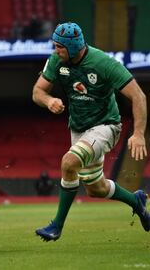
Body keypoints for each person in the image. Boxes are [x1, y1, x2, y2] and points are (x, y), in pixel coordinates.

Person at [32, 22, 149, 241]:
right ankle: (137, 201)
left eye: (59, 46)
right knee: (96, 188)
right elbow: (37, 91)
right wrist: (48, 101)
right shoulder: (57, 60)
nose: (55, 50)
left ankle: (56, 226)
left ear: (73, 47)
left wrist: (139, 133)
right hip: (79, 129)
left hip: (106, 126)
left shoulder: (103, 63)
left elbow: (139, 96)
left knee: (69, 163)